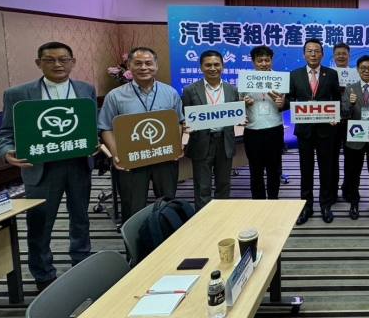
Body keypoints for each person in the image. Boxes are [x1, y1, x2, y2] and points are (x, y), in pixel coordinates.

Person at [0, 42, 96, 292]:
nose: (58, 64)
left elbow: (89, 125)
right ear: (38, 63)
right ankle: (43, 274)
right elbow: (4, 134)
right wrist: (7, 153)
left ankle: (81, 263)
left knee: (81, 218)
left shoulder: (86, 89)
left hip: (78, 165)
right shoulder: (18, 93)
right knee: (40, 223)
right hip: (40, 168)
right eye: (50, 60)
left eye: (63, 59)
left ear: (72, 62)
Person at [99, 47, 184, 222]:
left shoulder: (170, 93)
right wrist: (117, 154)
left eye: (148, 63)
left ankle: (168, 240)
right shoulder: (115, 96)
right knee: (132, 206)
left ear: (156, 66)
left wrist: (177, 145)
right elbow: (105, 128)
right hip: (132, 160)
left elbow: (179, 123)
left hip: (164, 157)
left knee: (168, 203)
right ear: (129, 66)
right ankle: (136, 247)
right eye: (138, 63)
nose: (144, 67)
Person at [285, 38, 341, 224]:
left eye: (317, 51)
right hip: (305, 131)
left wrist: (335, 116)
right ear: (304, 54)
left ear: (322, 54)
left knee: (326, 169)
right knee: (305, 170)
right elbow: (290, 99)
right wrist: (293, 104)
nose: (313, 54)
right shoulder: (295, 75)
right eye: (309, 51)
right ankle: (306, 206)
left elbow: (337, 100)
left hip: (326, 131)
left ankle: (325, 205)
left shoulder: (331, 74)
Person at [181, 50, 240, 210]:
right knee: (202, 186)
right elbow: (184, 116)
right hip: (201, 143)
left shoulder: (232, 90)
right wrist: (185, 125)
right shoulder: (189, 90)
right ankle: (203, 222)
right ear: (201, 67)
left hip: (225, 142)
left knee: (224, 183)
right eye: (208, 65)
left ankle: (221, 217)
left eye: (216, 64)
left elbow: (235, 114)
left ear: (223, 66)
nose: (213, 68)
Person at [341, 56, 369, 219]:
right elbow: (344, 114)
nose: (366, 71)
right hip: (355, 140)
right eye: (363, 68)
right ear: (358, 70)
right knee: (354, 174)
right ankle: (354, 204)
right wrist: (350, 103)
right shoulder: (350, 89)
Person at [242, 46, 286, 200]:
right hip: (252, 131)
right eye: (259, 60)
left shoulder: (280, 79)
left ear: (271, 60)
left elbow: (285, 105)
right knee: (255, 171)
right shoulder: (246, 80)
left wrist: (281, 103)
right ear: (253, 62)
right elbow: (237, 105)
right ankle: (258, 203)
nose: (264, 63)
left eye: (267, 60)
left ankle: (273, 200)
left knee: (274, 169)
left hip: (274, 129)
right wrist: (243, 103)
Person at [332, 42, 351, 203]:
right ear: (333, 56)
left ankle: (348, 189)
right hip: (332, 122)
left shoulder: (356, 74)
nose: (341, 56)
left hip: (352, 121)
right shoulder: (328, 74)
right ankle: (332, 191)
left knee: (351, 158)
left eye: (344, 53)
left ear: (349, 56)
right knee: (331, 158)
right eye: (338, 53)